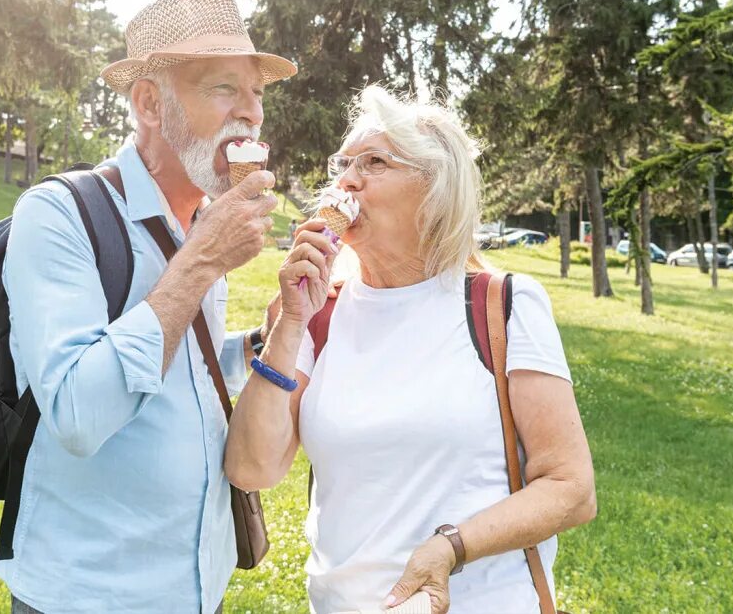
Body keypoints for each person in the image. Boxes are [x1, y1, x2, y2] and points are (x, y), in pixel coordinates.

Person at [225, 86, 596, 614]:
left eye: (374, 162)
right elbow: (250, 468)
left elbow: (570, 486)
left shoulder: (503, 305)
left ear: (437, 188)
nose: (346, 180)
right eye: (344, 163)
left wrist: (451, 546)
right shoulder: (317, 314)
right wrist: (288, 324)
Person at [0, 0, 296, 614]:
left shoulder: (201, 221)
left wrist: (259, 341)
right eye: (223, 89)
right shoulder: (59, 214)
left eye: (257, 93)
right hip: (91, 592)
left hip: (197, 586)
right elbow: (77, 413)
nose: (251, 115)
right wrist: (203, 261)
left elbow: (186, 363)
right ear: (149, 102)